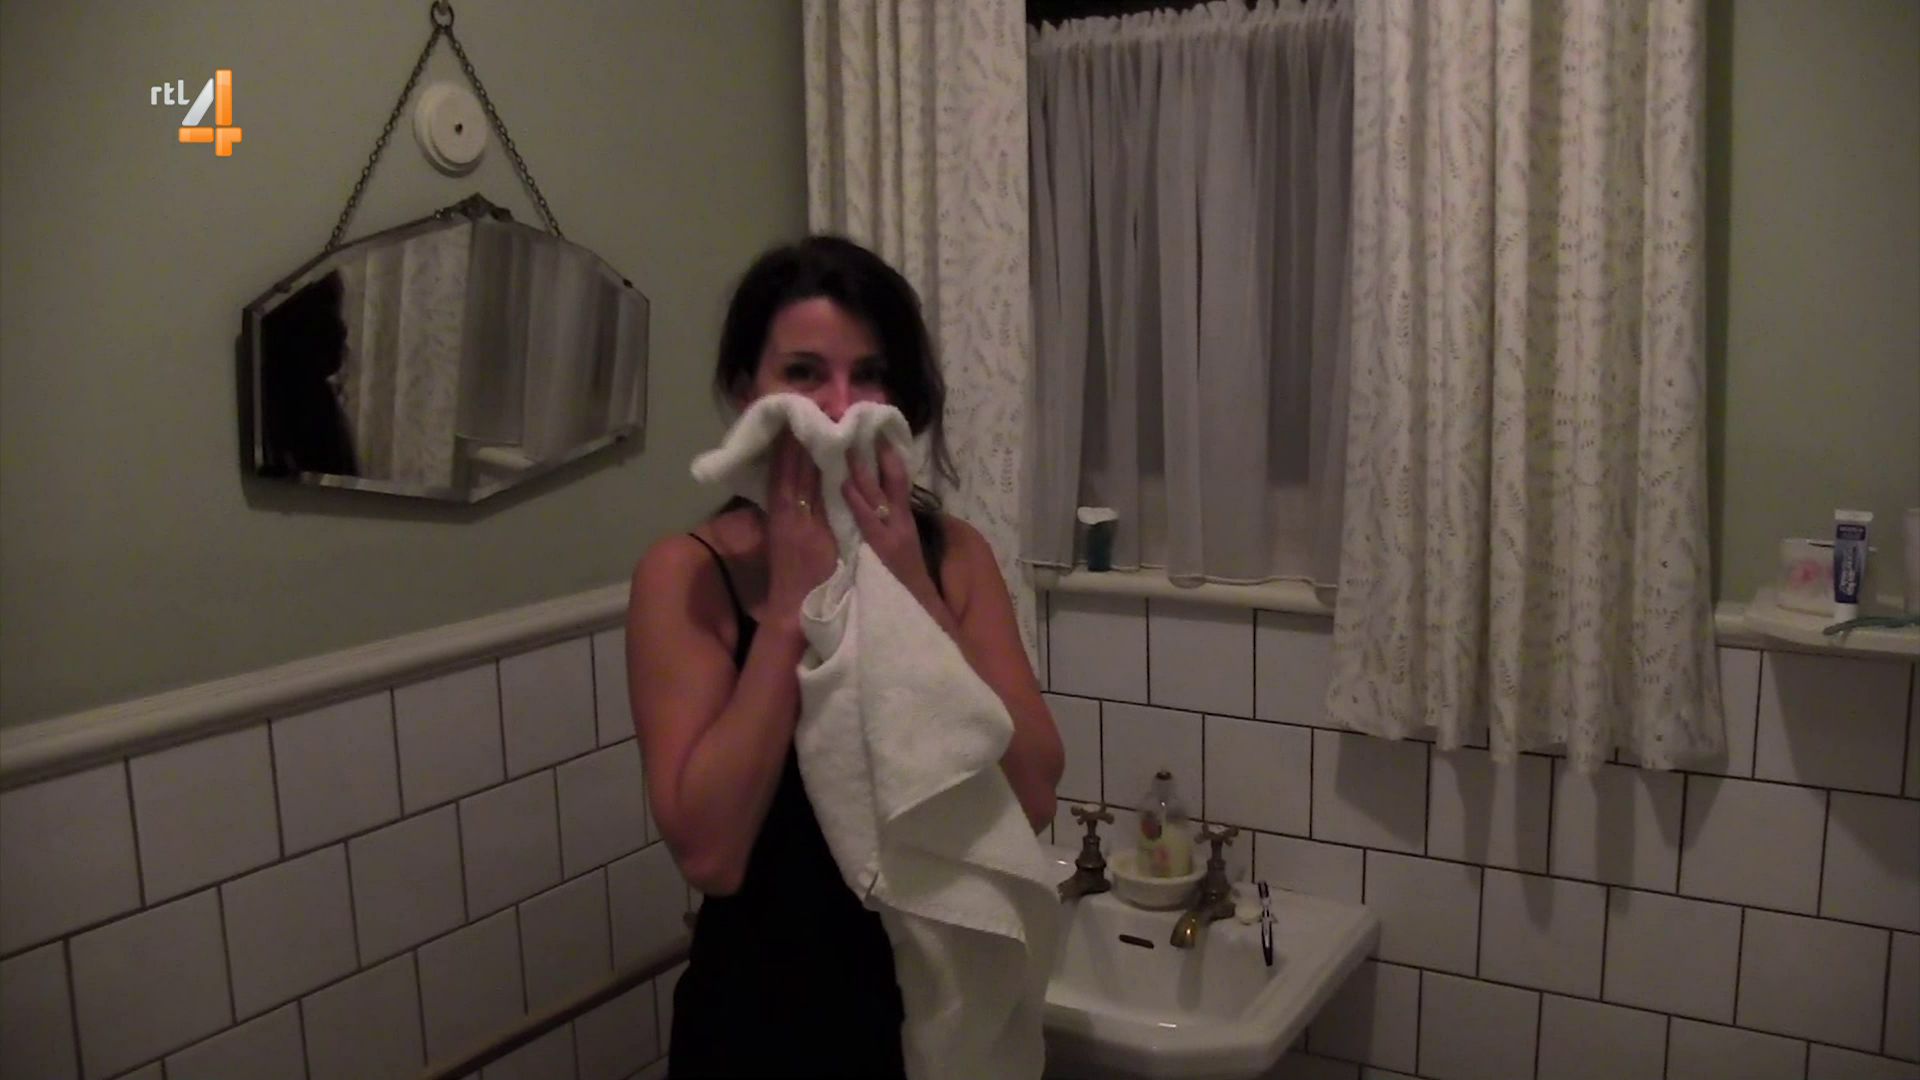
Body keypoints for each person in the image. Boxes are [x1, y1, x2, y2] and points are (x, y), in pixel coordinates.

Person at [625, 235, 1064, 1078]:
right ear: (747, 393)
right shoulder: (687, 577)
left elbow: (1035, 792)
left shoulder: (954, 556)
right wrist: (790, 610)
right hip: (757, 1026)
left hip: (922, 1016)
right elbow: (711, 855)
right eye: (804, 374)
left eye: (868, 375)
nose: (839, 408)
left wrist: (913, 586)